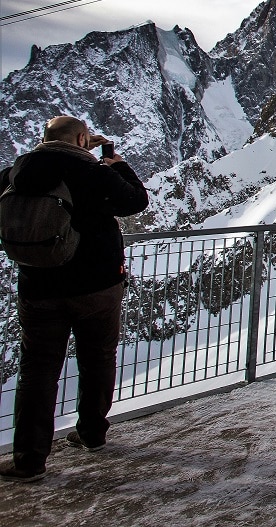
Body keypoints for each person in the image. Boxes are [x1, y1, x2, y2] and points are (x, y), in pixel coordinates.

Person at [0, 116, 149, 482]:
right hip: (96, 288)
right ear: (83, 139)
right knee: (97, 359)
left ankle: (29, 459)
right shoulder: (91, 172)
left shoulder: (18, 172)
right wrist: (115, 163)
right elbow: (135, 200)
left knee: (37, 372)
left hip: (39, 288)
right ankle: (92, 433)